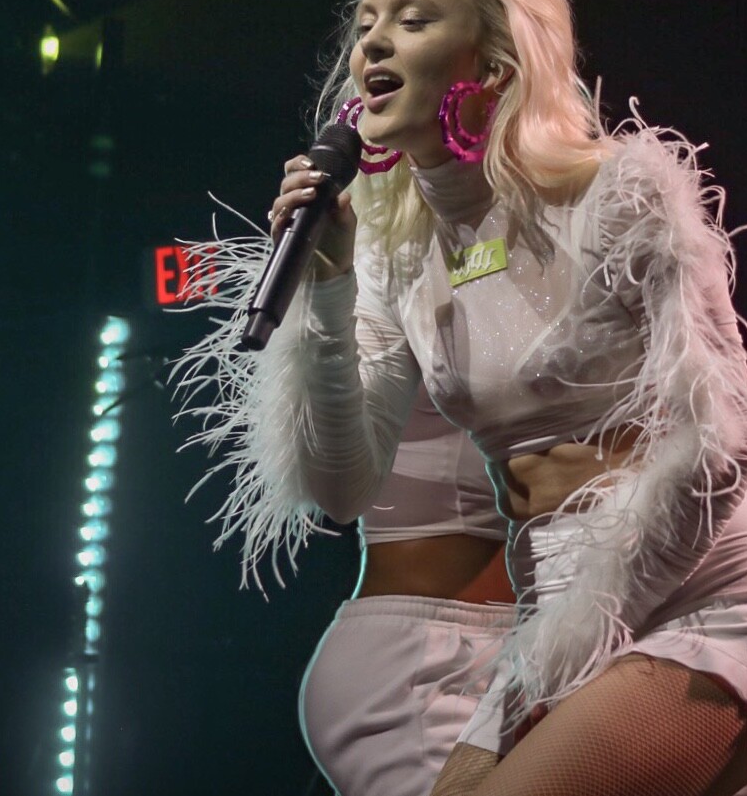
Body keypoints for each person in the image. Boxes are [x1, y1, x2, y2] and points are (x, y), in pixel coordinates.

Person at [187, 0, 747, 795]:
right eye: (366, 22)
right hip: (555, 609)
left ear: (491, 63)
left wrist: (579, 629)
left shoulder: (617, 193)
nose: (373, 41)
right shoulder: (400, 251)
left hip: (694, 594)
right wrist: (328, 286)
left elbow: (724, 443)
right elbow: (339, 488)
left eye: (413, 19)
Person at [176, 274, 514, 794]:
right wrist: (329, 283)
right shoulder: (390, 271)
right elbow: (336, 494)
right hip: (421, 668)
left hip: (521, 646)